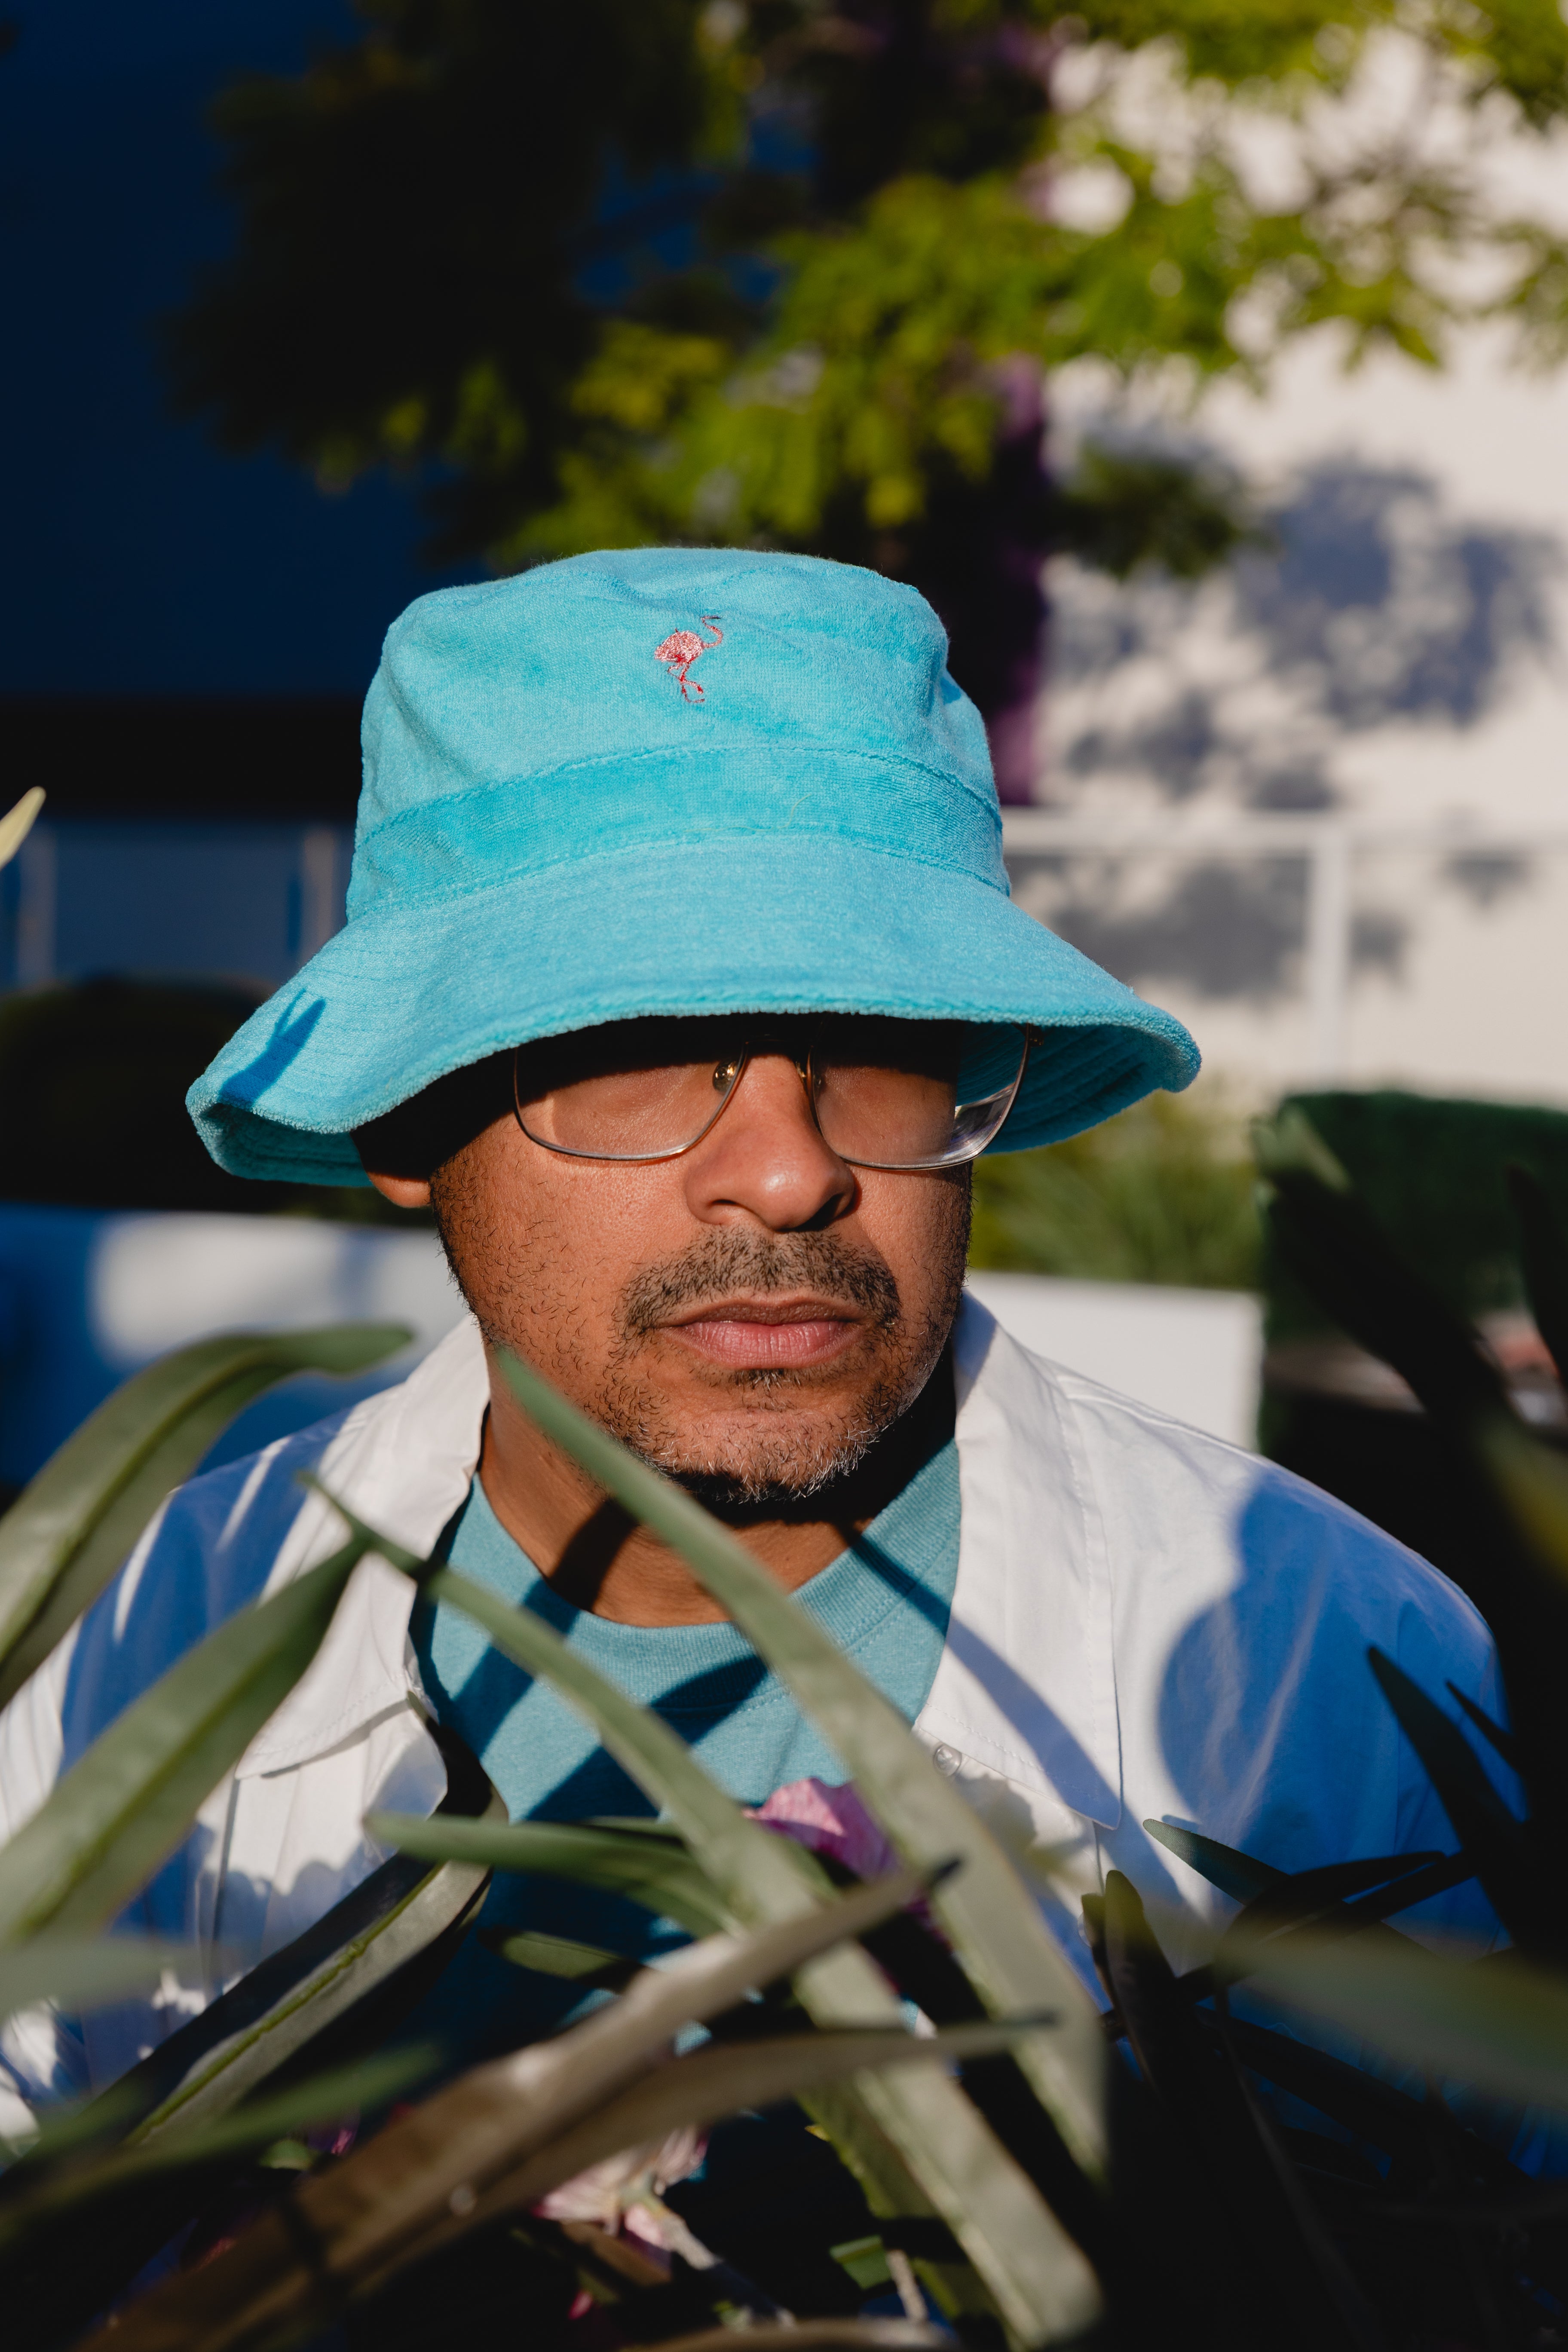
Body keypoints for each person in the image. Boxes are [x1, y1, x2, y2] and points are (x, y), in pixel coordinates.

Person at [0, 548, 1503, 2119]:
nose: (791, 1175)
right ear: (405, 1110)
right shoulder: (131, 1659)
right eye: (638, 1055)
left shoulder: (1332, 1683)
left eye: (877, 1049)